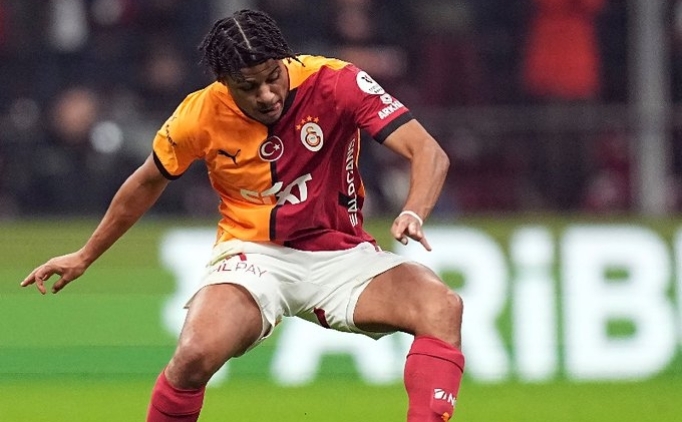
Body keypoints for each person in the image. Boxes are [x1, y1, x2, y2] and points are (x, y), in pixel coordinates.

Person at [20, 9, 464, 422]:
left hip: (342, 253)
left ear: (284, 61)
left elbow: (428, 152)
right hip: (254, 255)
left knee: (441, 307)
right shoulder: (200, 113)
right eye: (248, 87)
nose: (266, 95)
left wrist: (414, 209)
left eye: (273, 78)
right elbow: (145, 183)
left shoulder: (335, 81)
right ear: (224, 83)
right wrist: (85, 255)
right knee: (194, 355)